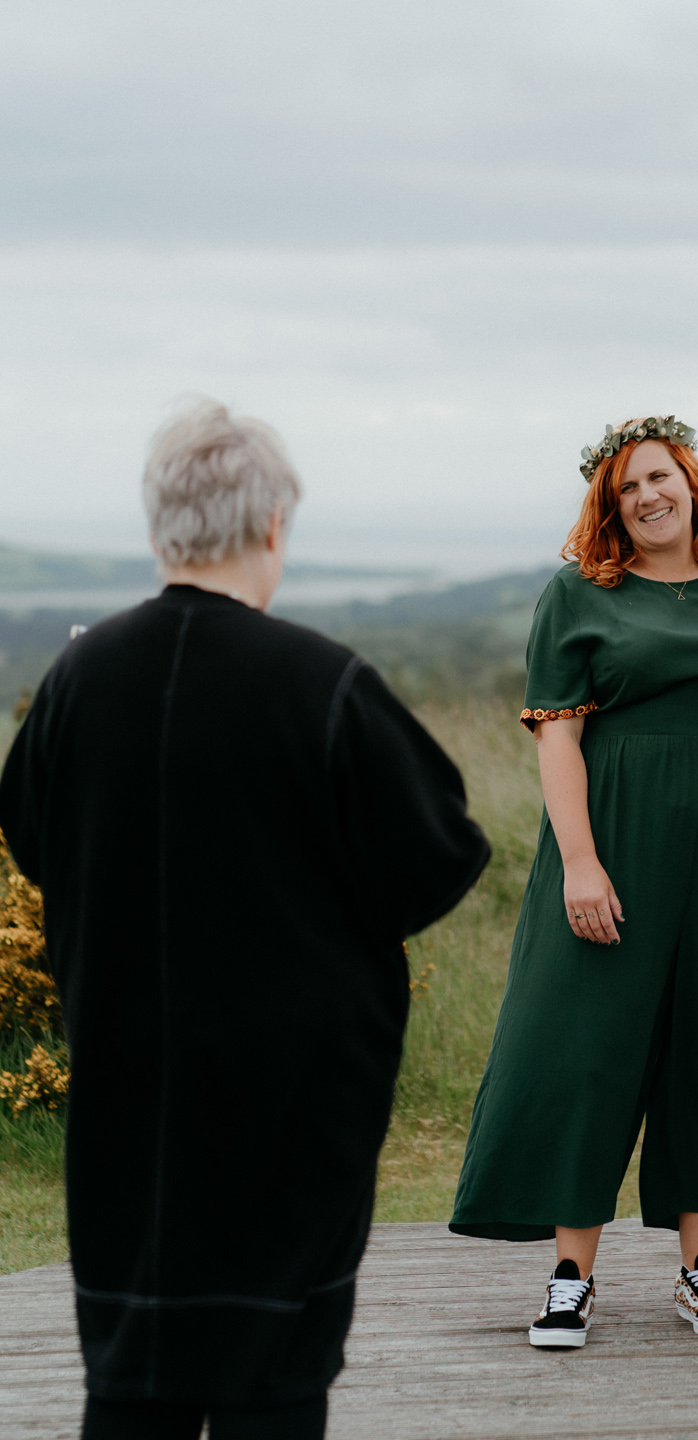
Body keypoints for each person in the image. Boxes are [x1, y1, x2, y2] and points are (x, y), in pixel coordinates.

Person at [0, 400, 490, 1438]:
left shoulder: (77, 682)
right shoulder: (321, 685)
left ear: (157, 528)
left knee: (131, 1384)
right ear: (273, 524)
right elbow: (437, 861)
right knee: (274, 1389)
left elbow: (36, 845)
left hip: (128, 1102)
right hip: (289, 1111)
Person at [450, 415, 698, 1347]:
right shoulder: (579, 594)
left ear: (691, 484)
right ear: (610, 508)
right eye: (625, 489)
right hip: (618, 842)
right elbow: (557, 731)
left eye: (658, 478)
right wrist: (581, 861)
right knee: (585, 1047)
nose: (646, 497)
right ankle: (570, 1275)